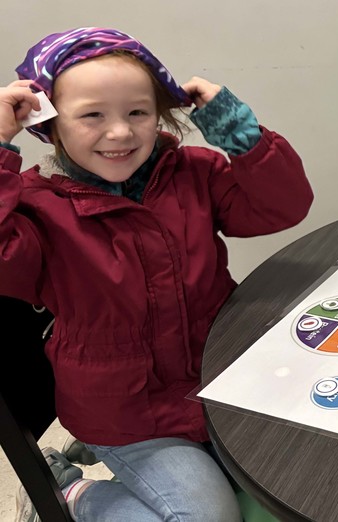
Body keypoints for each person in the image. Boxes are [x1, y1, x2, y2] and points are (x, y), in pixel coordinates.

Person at [1, 27, 314, 521]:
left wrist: (239, 133)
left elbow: (283, 207)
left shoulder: (192, 172)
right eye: (92, 115)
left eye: (138, 113)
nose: (121, 132)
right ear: (51, 124)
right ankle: (76, 494)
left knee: (310, 476)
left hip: (219, 383)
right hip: (127, 416)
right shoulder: (38, 208)